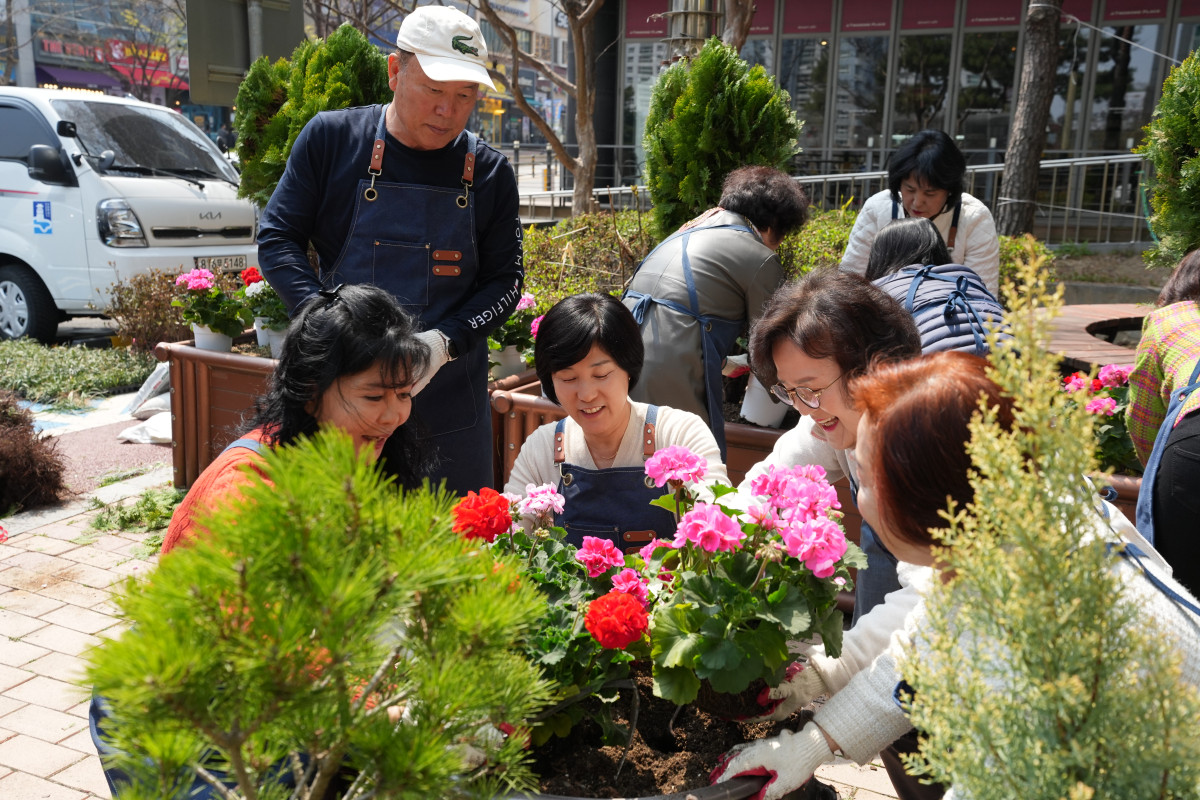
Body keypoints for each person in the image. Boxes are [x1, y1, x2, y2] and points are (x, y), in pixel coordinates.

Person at [713, 351, 1200, 800]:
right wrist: (812, 745)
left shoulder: (1037, 649)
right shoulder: (1013, 534)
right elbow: (916, 660)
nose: (855, 496)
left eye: (863, 477)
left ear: (917, 505)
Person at [256, 5, 522, 496]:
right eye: (435, 91)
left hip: (449, 401)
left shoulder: (488, 172)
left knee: (452, 550)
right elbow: (277, 238)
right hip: (342, 399)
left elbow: (506, 281)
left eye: (466, 96)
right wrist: (328, 327)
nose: (449, 110)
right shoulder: (333, 141)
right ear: (395, 72)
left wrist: (444, 343)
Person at [162, 284, 430, 554]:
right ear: (311, 394)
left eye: (404, 394)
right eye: (374, 397)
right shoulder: (246, 488)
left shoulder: (357, 456)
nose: (395, 416)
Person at [739, 269, 921, 623]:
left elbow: (928, 599)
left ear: (870, 367)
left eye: (811, 388)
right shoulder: (829, 420)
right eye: (788, 391)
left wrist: (840, 670)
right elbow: (770, 482)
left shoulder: (922, 445)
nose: (803, 408)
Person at [504, 293, 728, 551]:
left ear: (628, 370)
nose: (586, 394)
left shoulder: (679, 434)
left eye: (601, 374)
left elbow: (719, 515)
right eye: (568, 378)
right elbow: (512, 538)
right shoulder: (541, 449)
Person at [622, 166, 810, 456]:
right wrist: (800, 399)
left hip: (621, 354)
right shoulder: (759, 255)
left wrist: (725, 363)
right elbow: (772, 341)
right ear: (773, 224)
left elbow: (678, 310)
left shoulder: (689, 228)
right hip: (673, 369)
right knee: (692, 470)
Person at [840, 130, 1000, 296]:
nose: (917, 202)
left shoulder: (975, 218)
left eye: (930, 193)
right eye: (909, 189)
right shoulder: (877, 209)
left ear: (950, 191)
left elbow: (981, 297)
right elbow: (850, 285)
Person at [1128, 249, 1200, 595]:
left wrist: (1155, 471)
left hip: (1192, 447)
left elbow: (1143, 419)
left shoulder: (1170, 319)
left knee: (1181, 588)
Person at [867, 217, 1009, 356]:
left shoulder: (879, 294)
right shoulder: (969, 281)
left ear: (880, 258)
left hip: (937, 367)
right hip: (1013, 355)